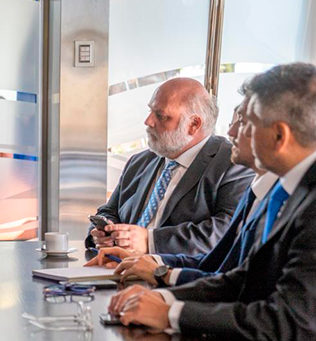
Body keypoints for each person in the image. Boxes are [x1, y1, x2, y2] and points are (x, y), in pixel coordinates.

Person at [108, 63, 316, 341]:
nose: (232, 132)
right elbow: (243, 278)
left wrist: (172, 313)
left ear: (279, 135)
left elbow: (289, 320)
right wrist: (162, 297)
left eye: (247, 124)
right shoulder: (294, 185)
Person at [87, 85, 278, 287]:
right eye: (150, 111)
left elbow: (225, 232)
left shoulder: (232, 163)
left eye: (161, 116)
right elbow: (109, 210)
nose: (148, 121)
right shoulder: (140, 161)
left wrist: (149, 241)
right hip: (118, 269)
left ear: (194, 124)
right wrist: (105, 233)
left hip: (178, 281)